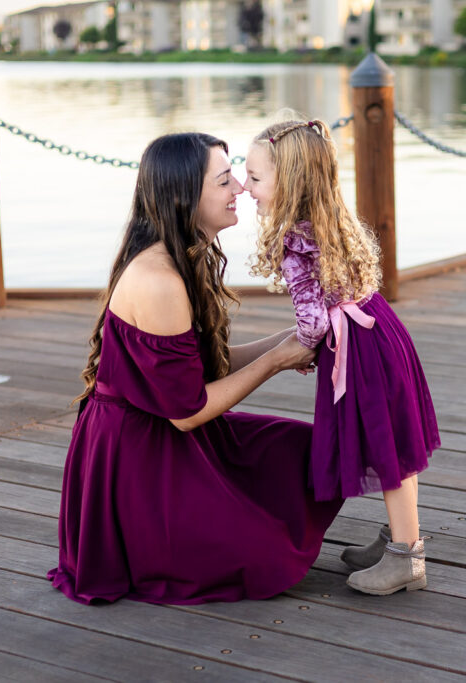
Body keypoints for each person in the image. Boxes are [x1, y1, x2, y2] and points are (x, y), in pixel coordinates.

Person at [47, 132, 343, 605]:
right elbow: (187, 410)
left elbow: (206, 366)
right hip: (138, 457)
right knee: (261, 555)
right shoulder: (159, 280)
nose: (241, 189)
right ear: (186, 196)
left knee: (305, 451)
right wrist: (274, 362)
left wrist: (292, 341)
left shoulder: (185, 255)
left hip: (169, 430)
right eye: (225, 181)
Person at [244, 119, 440, 596]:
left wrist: (300, 347)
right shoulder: (333, 218)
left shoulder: (295, 240)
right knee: (394, 445)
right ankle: (400, 536)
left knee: (385, 450)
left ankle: (406, 559)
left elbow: (311, 321)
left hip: (358, 351)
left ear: (287, 184)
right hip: (381, 330)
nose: (246, 188)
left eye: (254, 178)